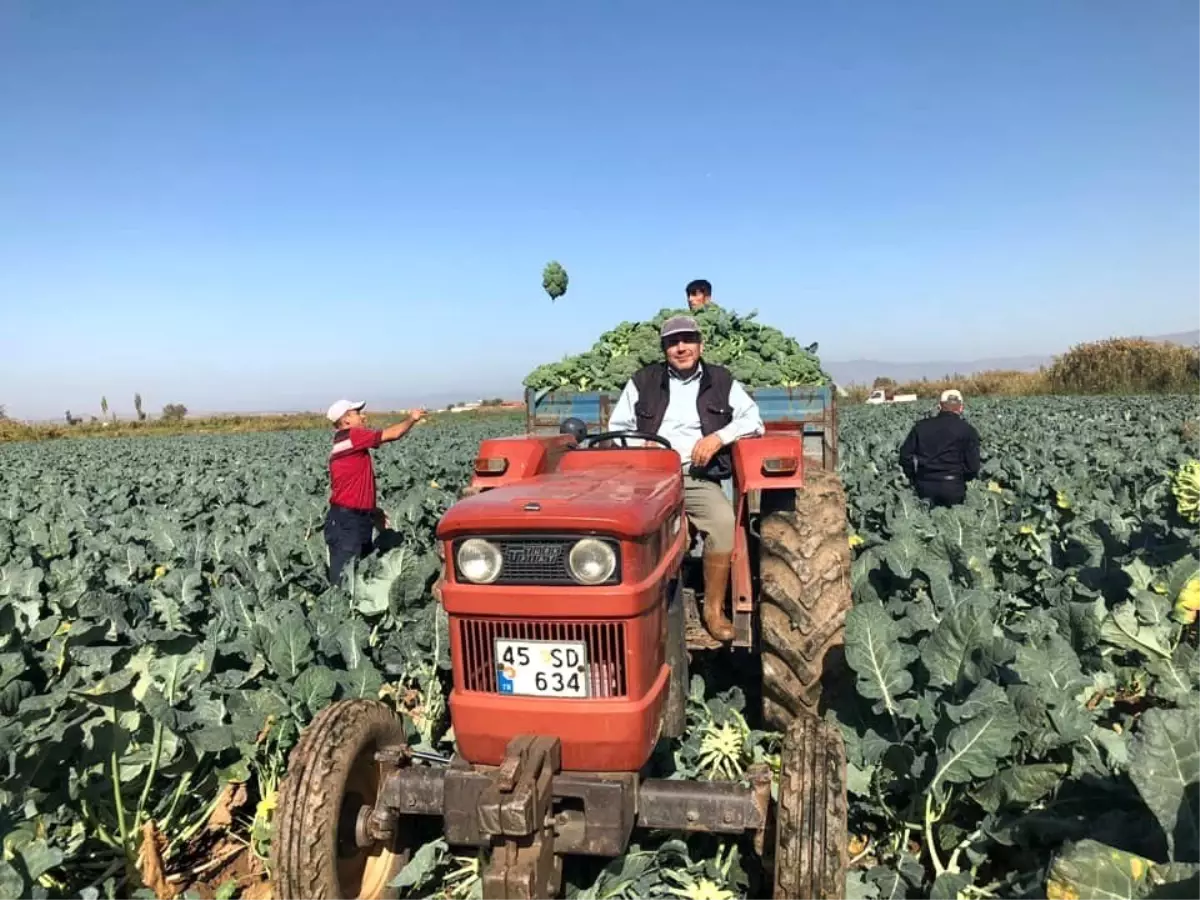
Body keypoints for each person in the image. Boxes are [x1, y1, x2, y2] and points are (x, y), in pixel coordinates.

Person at [607, 315, 764, 641]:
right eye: (672, 342)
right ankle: (638, 610)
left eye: (687, 340)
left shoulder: (721, 380)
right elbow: (616, 426)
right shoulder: (643, 381)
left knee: (722, 523)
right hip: (648, 476)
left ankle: (713, 608)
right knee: (629, 530)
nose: (681, 348)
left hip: (695, 475)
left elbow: (753, 419)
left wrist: (718, 438)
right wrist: (639, 444)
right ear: (664, 349)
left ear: (700, 344)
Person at [325, 399, 426, 585]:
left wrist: (371, 510)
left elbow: (353, 484)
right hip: (347, 521)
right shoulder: (352, 436)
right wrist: (412, 418)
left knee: (361, 574)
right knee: (344, 579)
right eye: (357, 413)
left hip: (353, 518)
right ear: (346, 420)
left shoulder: (345, 440)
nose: (363, 416)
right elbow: (393, 434)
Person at [898, 389, 981, 507]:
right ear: (961, 408)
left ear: (939, 406)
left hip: (925, 485)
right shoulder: (968, 430)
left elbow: (905, 456)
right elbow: (973, 467)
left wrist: (913, 477)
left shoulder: (921, 427)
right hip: (953, 487)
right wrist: (961, 478)